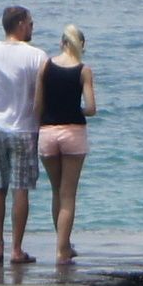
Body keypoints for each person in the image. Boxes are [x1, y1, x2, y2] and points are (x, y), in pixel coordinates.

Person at [0, 6, 48, 267]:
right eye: (31, 23)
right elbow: (42, 97)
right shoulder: (37, 56)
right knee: (20, 189)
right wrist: (41, 123)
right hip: (24, 129)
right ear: (20, 24)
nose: (33, 28)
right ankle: (16, 249)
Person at [36, 24, 98, 264]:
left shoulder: (45, 66)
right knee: (68, 194)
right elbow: (91, 108)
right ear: (81, 45)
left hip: (48, 133)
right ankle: (62, 250)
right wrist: (75, 109)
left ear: (62, 43)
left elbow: (37, 106)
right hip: (73, 133)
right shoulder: (84, 71)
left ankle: (64, 244)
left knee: (56, 191)